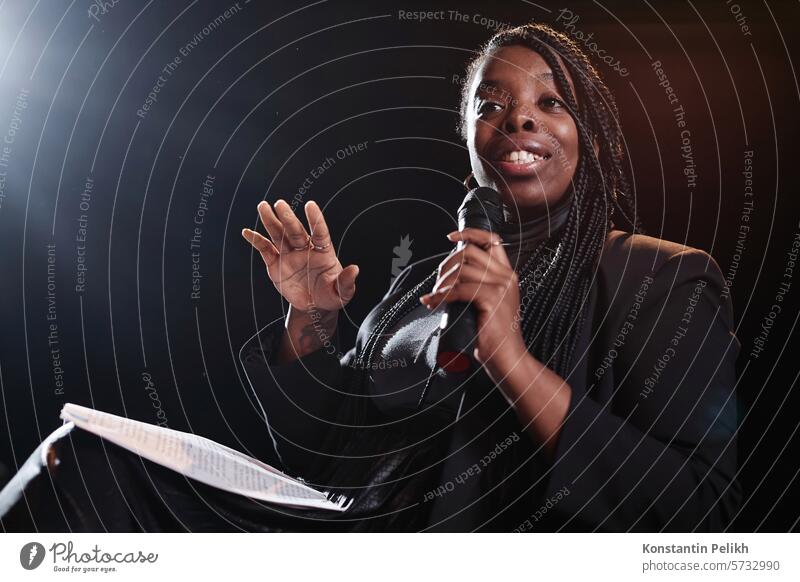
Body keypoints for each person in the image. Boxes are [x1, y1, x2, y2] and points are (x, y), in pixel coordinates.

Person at [0, 23, 740, 532]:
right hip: (357, 533)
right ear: (469, 138)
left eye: (551, 102)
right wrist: (312, 321)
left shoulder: (658, 277)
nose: (518, 120)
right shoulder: (424, 281)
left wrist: (511, 359)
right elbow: (324, 453)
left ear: (593, 134)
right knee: (84, 464)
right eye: (492, 105)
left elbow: (699, 512)